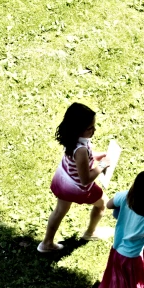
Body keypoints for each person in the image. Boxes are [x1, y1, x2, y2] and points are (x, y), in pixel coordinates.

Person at [38, 102, 111, 253]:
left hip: (64, 178)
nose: (94, 130)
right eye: (90, 128)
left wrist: (96, 156)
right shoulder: (81, 150)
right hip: (76, 187)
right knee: (103, 203)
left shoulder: (71, 139)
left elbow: (79, 160)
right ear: (78, 129)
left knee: (59, 211)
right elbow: (86, 179)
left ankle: (47, 243)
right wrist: (102, 165)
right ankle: (90, 233)